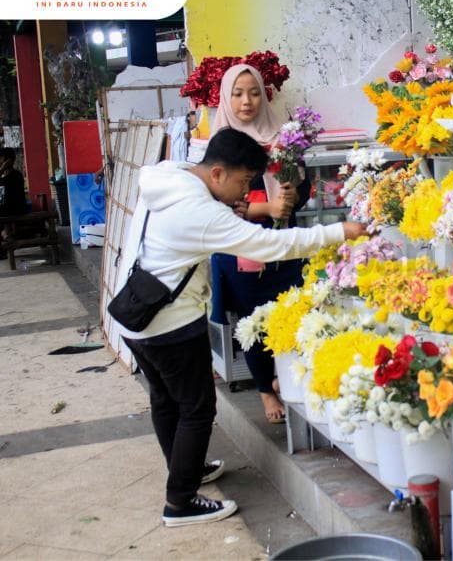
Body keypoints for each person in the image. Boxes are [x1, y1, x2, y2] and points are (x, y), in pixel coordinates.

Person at [117, 128, 367, 527]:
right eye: (244, 181)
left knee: (165, 400)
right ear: (217, 173)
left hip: (135, 312)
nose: (245, 192)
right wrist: (340, 232)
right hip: (170, 323)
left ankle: (185, 470)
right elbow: (270, 245)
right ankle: (180, 503)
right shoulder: (201, 211)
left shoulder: (169, 175)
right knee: (197, 409)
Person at [209, 63, 310, 423]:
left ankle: (287, 378)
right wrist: (268, 208)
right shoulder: (221, 145)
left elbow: (304, 190)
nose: (247, 101)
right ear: (226, 98)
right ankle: (266, 390)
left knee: (291, 312)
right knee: (254, 320)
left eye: (254, 93)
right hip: (243, 248)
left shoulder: (283, 138)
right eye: (237, 94)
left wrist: (292, 195)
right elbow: (221, 203)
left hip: (284, 242)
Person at [0, 147, 26, 218]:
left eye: (1, 158)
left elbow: (12, 201)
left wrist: (3, 168)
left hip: (14, 212)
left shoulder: (16, 175)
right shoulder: (2, 176)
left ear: (7, 160)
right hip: (5, 212)